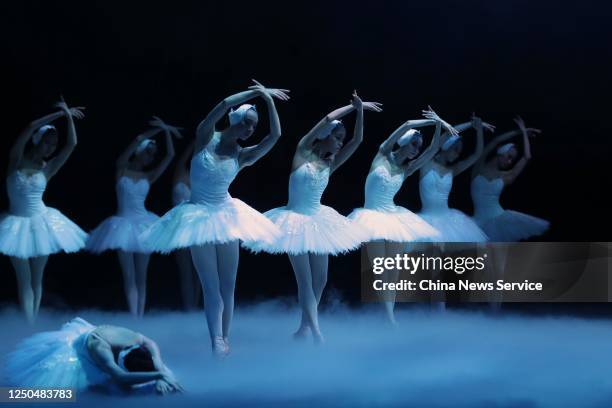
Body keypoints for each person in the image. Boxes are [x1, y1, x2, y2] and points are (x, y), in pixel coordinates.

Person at [141, 80, 288, 356]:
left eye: (253, 125)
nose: (250, 129)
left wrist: (268, 100)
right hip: (197, 215)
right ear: (234, 120)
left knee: (228, 284)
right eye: (247, 122)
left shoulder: (242, 155)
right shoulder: (205, 137)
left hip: (228, 214)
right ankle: (215, 340)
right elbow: (222, 105)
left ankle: (226, 338)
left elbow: (275, 137)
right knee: (210, 285)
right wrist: (256, 92)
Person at [245, 91, 382, 343]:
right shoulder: (302, 152)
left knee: (321, 278)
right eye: (337, 138)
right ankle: (316, 332)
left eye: (341, 139)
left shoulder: (330, 164)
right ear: (325, 136)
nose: (340, 143)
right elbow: (328, 117)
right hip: (293, 221)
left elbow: (357, 140)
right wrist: (351, 107)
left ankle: (304, 326)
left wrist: (361, 111)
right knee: (305, 280)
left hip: (319, 219)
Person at [348, 107, 455, 324]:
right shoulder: (383, 154)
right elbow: (407, 124)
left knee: (393, 272)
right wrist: (429, 121)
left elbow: (433, 149)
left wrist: (439, 125)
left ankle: (389, 317)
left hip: (394, 217)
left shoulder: (407, 169)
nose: (417, 149)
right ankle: (388, 317)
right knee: (379, 270)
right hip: (371, 216)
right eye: (414, 144)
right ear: (404, 143)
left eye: (418, 146)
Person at [0, 99, 87, 323]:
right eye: (47, 143)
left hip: (41, 221)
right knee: (24, 279)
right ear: (37, 141)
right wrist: (57, 115)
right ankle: (28, 324)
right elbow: (29, 127)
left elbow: (72, 145)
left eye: (53, 145)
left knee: (37, 280)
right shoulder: (15, 161)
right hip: (15, 223)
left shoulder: (47, 168)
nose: (50, 148)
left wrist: (68, 117)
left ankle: (32, 324)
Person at [86, 117, 181, 316]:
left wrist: (166, 130)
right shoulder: (121, 169)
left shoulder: (149, 175)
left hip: (144, 223)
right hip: (122, 224)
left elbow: (170, 155)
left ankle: (141, 317)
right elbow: (137, 139)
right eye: (148, 153)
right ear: (139, 152)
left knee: (141, 276)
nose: (150, 158)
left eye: (152, 155)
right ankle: (133, 316)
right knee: (128, 276)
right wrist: (151, 134)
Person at [5, 317, 183, 395]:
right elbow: (120, 376)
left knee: (159, 374)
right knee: (58, 392)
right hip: (81, 350)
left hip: (104, 342)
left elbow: (151, 344)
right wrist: (158, 375)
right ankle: (7, 395)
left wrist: (160, 371)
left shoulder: (134, 340)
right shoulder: (100, 348)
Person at [471, 116, 548, 241]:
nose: (510, 161)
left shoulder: (506, 176)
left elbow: (527, 157)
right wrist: (518, 131)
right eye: (509, 156)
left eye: (512, 159)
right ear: (501, 152)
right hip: (475, 223)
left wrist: (523, 133)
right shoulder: (479, 166)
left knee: (496, 257)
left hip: (498, 222)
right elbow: (496, 140)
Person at [171, 142, 202, 310]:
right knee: (185, 271)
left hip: (197, 226)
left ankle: (195, 306)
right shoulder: (179, 173)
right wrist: (194, 143)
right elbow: (182, 160)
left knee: (199, 271)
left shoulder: (199, 179)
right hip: (179, 227)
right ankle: (188, 306)